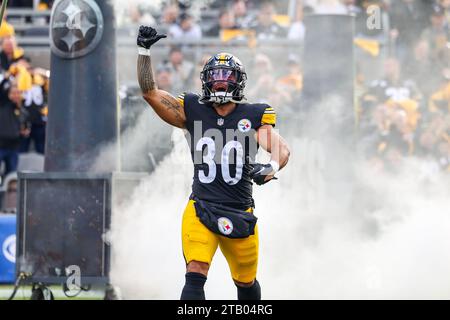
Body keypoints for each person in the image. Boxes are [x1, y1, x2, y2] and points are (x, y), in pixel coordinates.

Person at [136, 26, 290, 300]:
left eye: (226, 75)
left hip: (239, 210)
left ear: (238, 81)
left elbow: (280, 148)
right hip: (201, 208)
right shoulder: (193, 108)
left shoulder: (255, 114)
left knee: (245, 283)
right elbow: (150, 92)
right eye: (215, 75)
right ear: (206, 80)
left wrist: (272, 166)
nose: (220, 81)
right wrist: (143, 51)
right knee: (195, 272)